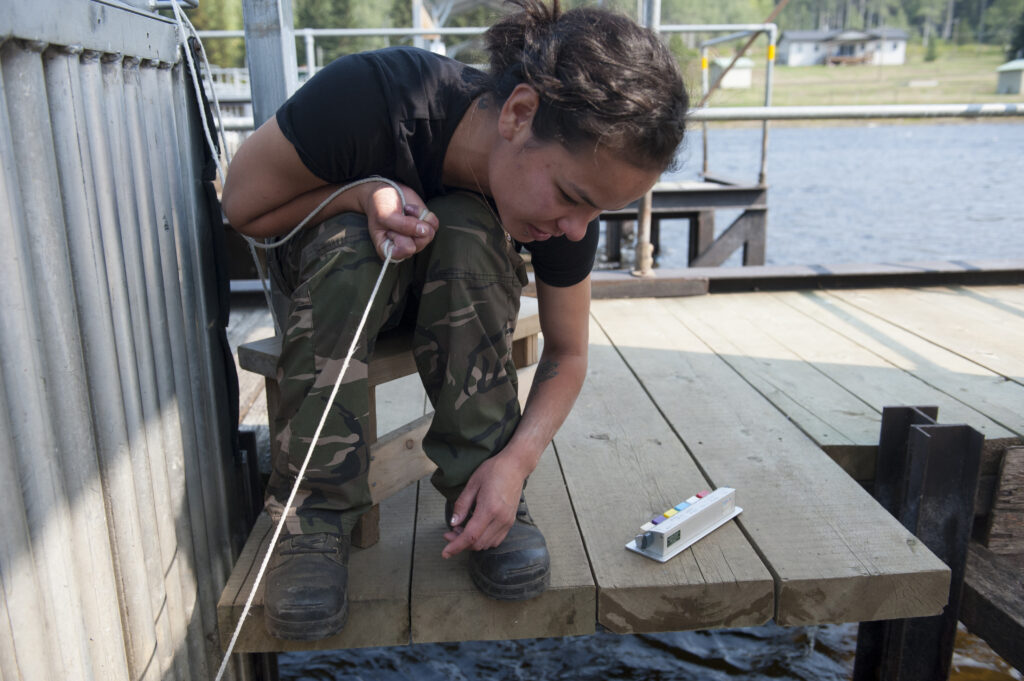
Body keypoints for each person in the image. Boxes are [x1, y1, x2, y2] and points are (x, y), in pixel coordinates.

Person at [222, 0, 688, 641]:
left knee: (470, 229)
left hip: (453, 281)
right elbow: (244, 208)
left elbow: (569, 354)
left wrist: (518, 461)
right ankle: (311, 518)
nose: (575, 231)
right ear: (520, 114)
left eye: (597, 214)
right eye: (574, 200)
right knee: (355, 245)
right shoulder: (371, 96)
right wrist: (362, 194)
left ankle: (483, 491)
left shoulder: (568, 201)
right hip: (333, 283)